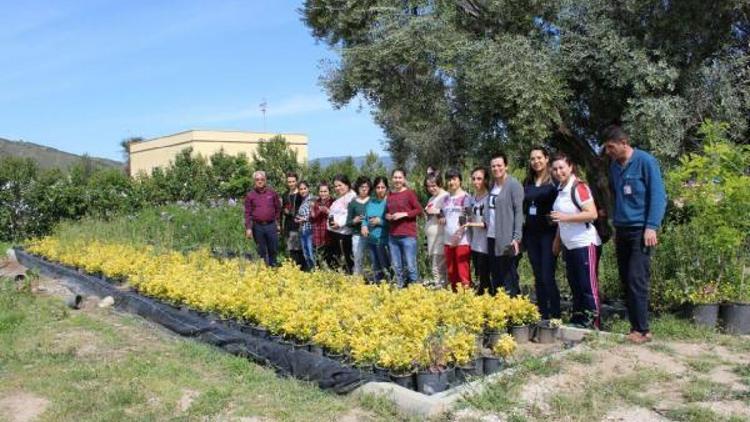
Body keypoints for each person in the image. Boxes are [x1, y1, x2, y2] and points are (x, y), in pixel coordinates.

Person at [603, 124, 667, 344]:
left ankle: (642, 329)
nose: (608, 152)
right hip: (622, 230)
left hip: (641, 230)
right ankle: (636, 327)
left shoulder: (646, 162)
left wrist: (651, 226)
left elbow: (658, 196)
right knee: (625, 279)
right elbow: (616, 198)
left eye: (611, 147)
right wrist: (615, 225)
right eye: (606, 148)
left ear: (624, 143)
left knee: (636, 279)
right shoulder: (614, 166)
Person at [550, 153, 602, 329]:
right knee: (575, 284)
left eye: (561, 168)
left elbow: (592, 214)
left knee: (588, 285)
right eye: (555, 169)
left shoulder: (578, 187)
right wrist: (557, 240)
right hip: (569, 245)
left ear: (570, 167)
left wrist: (565, 217)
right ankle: (580, 319)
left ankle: (594, 322)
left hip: (584, 243)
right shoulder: (560, 189)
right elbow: (560, 220)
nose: (558, 172)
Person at [523, 146, 561, 320]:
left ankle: (555, 314)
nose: (536, 161)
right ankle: (543, 314)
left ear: (547, 159)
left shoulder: (554, 182)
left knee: (547, 275)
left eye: (539, 158)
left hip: (548, 234)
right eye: (532, 159)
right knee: (538, 275)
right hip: (531, 235)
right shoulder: (528, 182)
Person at [489, 152, 524, 296]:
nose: (496, 168)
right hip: (491, 237)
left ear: (506, 166)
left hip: (507, 238)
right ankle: (500, 312)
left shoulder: (513, 184)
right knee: (496, 276)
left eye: (499, 165)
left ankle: (514, 310)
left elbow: (519, 212)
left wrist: (516, 237)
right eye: (493, 166)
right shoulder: (493, 186)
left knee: (509, 277)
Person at [386, 168, 423, 288]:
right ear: (392, 179)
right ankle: (400, 287)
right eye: (395, 177)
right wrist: (387, 216)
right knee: (397, 265)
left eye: (400, 177)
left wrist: (404, 214)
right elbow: (387, 211)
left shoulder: (409, 193)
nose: (397, 180)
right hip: (393, 235)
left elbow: (419, 210)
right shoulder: (390, 195)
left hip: (408, 235)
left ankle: (415, 289)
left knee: (411, 265)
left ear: (404, 179)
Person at [441, 168, 471, 291]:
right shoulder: (445, 198)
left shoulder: (466, 197)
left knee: (462, 273)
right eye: (449, 179)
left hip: (461, 241)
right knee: (451, 273)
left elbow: (467, 218)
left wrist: (457, 237)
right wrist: (440, 216)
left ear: (460, 181)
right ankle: (454, 301)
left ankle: (466, 300)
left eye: (454, 179)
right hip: (447, 241)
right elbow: (439, 211)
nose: (451, 182)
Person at [244, 170, 281, 267]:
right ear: (254, 181)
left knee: (273, 248)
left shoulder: (272, 193)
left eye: (262, 179)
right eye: (257, 180)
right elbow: (247, 213)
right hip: (257, 227)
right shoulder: (250, 195)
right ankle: (264, 270)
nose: (259, 181)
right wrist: (248, 228)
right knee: (261, 250)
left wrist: (278, 223)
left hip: (271, 225)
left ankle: (273, 268)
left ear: (265, 180)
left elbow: (278, 208)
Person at [466, 167, 491, 295]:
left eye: (479, 178)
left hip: (485, 243)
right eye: (474, 178)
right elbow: (470, 214)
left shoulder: (489, 198)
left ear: (485, 180)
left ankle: (487, 298)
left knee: (485, 273)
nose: (476, 181)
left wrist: (470, 223)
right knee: (479, 272)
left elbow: (487, 223)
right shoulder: (472, 198)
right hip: (475, 242)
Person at [362, 176, 390, 282]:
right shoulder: (371, 202)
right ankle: (378, 287)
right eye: (378, 187)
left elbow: (392, 222)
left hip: (383, 240)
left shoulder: (389, 202)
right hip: (371, 239)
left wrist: (380, 222)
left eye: (383, 187)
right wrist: (364, 226)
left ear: (387, 188)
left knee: (385, 266)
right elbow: (365, 217)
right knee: (376, 267)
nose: (380, 190)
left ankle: (389, 286)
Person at [423, 172, 449, 287]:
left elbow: (450, 213)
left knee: (438, 267)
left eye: (433, 185)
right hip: (432, 239)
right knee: (437, 266)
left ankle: (441, 290)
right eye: (428, 186)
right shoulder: (432, 198)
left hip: (441, 237)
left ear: (440, 183)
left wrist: (439, 212)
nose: (431, 188)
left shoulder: (445, 196)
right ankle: (441, 289)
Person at [328, 174, 356, 273]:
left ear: (347, 184)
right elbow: (331, 212)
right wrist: (331, 223)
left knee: (347, 260)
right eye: (335, 186)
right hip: (335, 232)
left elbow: (350, 214)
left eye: (340, 185)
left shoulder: (352, 197)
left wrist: (339, 223)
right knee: (338, 260)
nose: (337, 188)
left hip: (345, 234)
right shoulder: (339, 199)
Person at [347, 176, 372, 276]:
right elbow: (348, 222)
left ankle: (372, 279)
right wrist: (355, 220)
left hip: (372, 235)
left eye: (366, 186)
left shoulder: (373, 201)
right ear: (357, 188)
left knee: (372, 259)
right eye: (362, 186)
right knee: (358, 258)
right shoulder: (353, 203)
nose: (364, 188)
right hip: (357, 235)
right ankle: (358, 280)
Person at [282, 172, 304, 268]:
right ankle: (294, 269)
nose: (291, 183)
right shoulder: (285, 195)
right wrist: (284, 210)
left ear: (296, 181)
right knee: (291, 248)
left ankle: (301, 268)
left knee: (299, 248)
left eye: (293, 181)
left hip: (298, 224)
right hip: (288, 224)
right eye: (289, 182)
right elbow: (282, 208)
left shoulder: (300, 194)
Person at [311, 182, 335, 269]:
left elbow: (337, 219)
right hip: (317, 236)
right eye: (321, 191)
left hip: (329, 236)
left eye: (325, 191)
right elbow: (312, 219)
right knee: (318, 262)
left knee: (330, 262)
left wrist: (328, 212)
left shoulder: (334, 202)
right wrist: (313, 212)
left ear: (329, 192)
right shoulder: (315, 203)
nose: (323, 193)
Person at [294, 181, 315, 271]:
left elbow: (314, 215)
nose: (303, 191)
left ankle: (315, 272)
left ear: (308, 188)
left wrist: (303, 219)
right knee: (306, 253)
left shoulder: (312, 199)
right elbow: (304, 214)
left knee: (311, 253)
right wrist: (298, 218)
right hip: (303, 229)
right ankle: (311, 272)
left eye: (304, 188)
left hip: (310, 230)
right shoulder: (303, 201)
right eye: (301, 189)